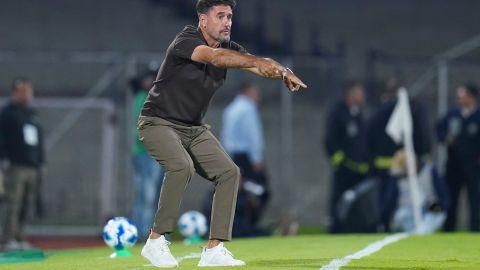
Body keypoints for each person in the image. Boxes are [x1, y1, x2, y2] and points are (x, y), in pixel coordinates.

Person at [137, 0, 307, 267]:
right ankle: (156, 241)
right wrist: (258, 61)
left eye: (229, 16)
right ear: (203, 20)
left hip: (193, 127)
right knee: (181, 167)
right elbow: (217, 58)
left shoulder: (229, 49)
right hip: (158, 122)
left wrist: (281, 71)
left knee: (230, 173)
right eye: (220, 16)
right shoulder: (186, 39)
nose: (227, 21)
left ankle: (214, 250)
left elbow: (255, 65)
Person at [366, 78, 431, 231]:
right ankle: (407, 223)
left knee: (388, 199)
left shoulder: (379, 111)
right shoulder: (413, 109)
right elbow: (423, 134)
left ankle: (385, 224)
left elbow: (369, 135)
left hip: (386, 166)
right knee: (403, 197)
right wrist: (423, 153)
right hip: (406, 164)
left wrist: (370, 160)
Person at [220, 81, 270, 237]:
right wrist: (257, 158)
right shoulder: (248, 108)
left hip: (233, 157)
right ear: (247, 92)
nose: (258, 97)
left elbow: (225, 136)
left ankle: (238, 226)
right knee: (261, 192)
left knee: (240, 193)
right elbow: (252, 135)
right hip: (247, 158)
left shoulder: (230, 109)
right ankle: (248, 227)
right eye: (256, 92)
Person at [0, 78, 44, 251]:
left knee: (27, 202)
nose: (27, 94)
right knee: (13, 202)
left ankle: (19, 236)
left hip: (32, 164)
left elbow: (38, 140)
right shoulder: (8, 113)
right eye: (24, 91)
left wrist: (41, 161)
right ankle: (7, 237)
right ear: (15, 92)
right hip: (15, 164)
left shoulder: (32, 113)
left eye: (29, 91)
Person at [324, 81, 369, 233]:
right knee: (339, 199)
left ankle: (354, 227)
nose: (363, 96)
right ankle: (336, 228)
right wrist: (340, 161)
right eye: (360, 92)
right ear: (351, 94)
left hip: (359, 169)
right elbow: (330, 140)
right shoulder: (338, 113)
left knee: (357, 200)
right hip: (344, 169)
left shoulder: (358, 114)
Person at [437, 83, 480, 232]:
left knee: (475, 199)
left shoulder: (478, 115)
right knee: (450, 198)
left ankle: (476, 229)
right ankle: (448, 228)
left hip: (474, 166)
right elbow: (439, 131)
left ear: (471, 96)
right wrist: (446, 139)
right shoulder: (452, 114)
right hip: (454, 164)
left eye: (462, 96)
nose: (459, 100)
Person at [130, 71, 165, 239]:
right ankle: (143, 232)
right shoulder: (144, 98)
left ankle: (145, 231)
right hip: (147, 153)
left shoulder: (150, 98)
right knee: (147, 196)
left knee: (148, 195)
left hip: (152, 153)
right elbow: (141, 128)